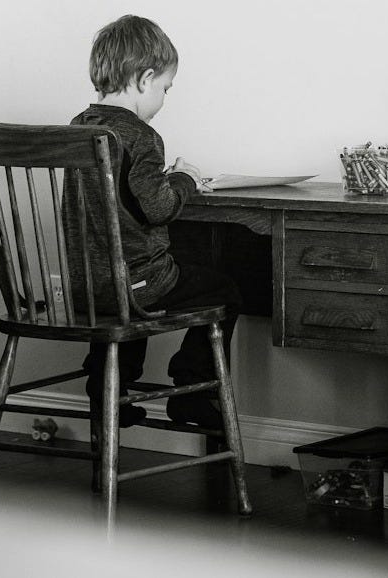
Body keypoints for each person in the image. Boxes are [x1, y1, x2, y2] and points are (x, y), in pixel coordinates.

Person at [62, 15, 241, 430]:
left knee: (126, 301)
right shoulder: (140, 136)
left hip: (86, 287)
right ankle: (192, 390)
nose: (163, 98)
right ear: (145, 79)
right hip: (136, 285)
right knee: (225, 291)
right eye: (165, 88)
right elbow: (158, 208)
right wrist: (184, 178)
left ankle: (107, 388)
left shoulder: (77, 128)